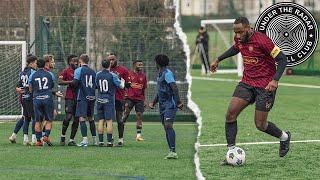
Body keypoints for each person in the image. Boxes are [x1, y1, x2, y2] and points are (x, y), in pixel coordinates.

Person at [210, 17, 291, 165]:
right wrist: (218, 59)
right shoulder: (239, 38)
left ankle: (284, 137)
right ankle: (231, 153)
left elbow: (282, 59)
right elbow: (236, 48)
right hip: (247, 83)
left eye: (240, 32)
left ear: (249, 28)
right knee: (230, 114)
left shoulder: (263, 41)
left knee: (260, 125)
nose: (238, 36)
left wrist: (275, 80)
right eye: (236, 32)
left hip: (265, 86)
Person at [149, 54, 183, 159]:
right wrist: (154, 102)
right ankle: (171, 151)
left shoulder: (167, 74)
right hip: (162, 105)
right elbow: (159, 91)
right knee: (166, 127)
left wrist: (178, 102)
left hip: (170, 104)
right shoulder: (160, 74)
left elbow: (174, 88)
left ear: (157, 63)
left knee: (168, 125)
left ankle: (173, 151)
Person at [95, 59, 125, 147]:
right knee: (109, 120)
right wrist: (122, 81)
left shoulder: (97, 74)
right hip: (109, 100)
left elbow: (96, 85)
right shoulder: (113, 75)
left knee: (101, 120)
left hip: (100, 99)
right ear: (109, 65)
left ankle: (100, 142)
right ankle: (109, 142)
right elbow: (121, 86)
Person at [9, 55, 38, 145]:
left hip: (24, 97)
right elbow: (32, 85)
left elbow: (19, 85)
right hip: (30, 97)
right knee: (34, 117)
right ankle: (34, 138)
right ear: (32, 63)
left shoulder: (22, 73)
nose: (36, 65)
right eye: (36, 63)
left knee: (26, 117)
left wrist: (20, 89)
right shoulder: (33, 72)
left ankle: (25, 139)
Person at [29, 58, 56, 147]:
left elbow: (30, 89)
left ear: (37, 65)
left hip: (37, 99)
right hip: (47, 98)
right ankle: (46, 136)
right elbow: (51, 86)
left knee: (38, 121)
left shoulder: (32, 75)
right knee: (49, 120)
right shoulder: (50, 74)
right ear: (45, 65)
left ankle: (38, 141)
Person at [72, 54, 97, 147]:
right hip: (92, 97)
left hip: (82, 97)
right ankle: (95, 140)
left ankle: (85, 140)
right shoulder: (93, 72)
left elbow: (75, 83)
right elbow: (96, 85)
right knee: (91, 118)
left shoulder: (78, 70)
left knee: (82, 118)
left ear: (80, 61)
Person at [121, 60, 148, 142]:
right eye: (139, 64)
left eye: (142, 64)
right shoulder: (129, 74)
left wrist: (145, 100)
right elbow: (123, 85)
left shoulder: (143, 76)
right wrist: (124, 95)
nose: (141, 66)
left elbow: (144, 89)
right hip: (130, 98)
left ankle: (138, 136)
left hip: (139, 99)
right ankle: (120, 132)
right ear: (134, 65)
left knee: (139, 115)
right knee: (126, 114)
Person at [109, 53, 129, 147]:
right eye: (109, 60)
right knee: (108, 119)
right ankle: (110, 138)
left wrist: (126, 96)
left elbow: (127, 84)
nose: (111, 61)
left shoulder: (123, 70)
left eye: (112, 59)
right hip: (108, 98)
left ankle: (120, 139)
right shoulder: (106, 70)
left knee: (119, 119)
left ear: (116, 59)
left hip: (119, 98)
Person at [58, 55, 79, 146]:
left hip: (79, 98)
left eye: (77, 62)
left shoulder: (80, 71)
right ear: (70, 62)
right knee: (68, 117)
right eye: (74, 61)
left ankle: (71, 139)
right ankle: (63, 136)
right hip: (70, 97)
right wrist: (71, 82)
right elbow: (60, 81)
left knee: (77, 119)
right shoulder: (66, 71)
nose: (76, 63)